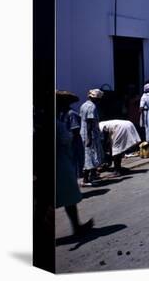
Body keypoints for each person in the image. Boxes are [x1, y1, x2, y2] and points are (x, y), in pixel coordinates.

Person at [56, 91, 94, 236]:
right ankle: (76, 226)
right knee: (69, 195)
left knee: (67, 197)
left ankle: (76, 226)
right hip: (60, 162)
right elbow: (68, 137)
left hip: (59, 159)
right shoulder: (58, 123)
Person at [79, 89, 105, 187]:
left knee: (88, 155)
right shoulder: (92, 107)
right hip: (90, 135)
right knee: (90, 156)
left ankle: (91, 176)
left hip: (84, 133)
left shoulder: (83, 105)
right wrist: (89, 138)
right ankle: (86, 179)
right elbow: (89, 122)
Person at [56, 90, 84, 178]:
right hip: (67, 144)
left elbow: (75, 131)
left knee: (73, 164)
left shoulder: (71, 114)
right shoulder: (62, 114)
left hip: (72, 144)